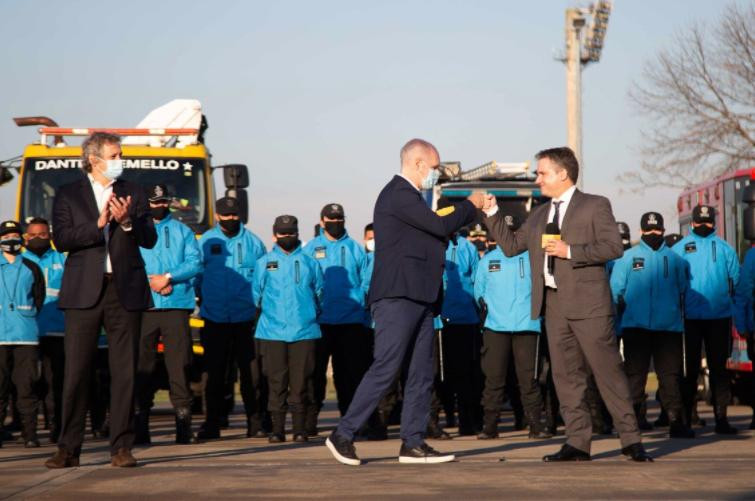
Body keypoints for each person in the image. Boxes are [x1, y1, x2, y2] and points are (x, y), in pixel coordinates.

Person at [484, 146, 651, 462]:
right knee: (566, 377)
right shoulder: (539, 215)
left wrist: (570, 250)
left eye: (542, 172)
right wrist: (492, 213)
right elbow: (509, 247)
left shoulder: (594, 206)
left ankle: (631, 439)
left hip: (589, 305)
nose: (538, 178)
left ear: (563, 173)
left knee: (608, 373)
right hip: (553, 306)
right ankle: (577, 442)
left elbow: (613, 247)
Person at [325, 138, 484, 466]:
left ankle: (412, 442)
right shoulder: (398, 194)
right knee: (386, 366)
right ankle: (343, 434)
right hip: (398, 296)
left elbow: (433, 231)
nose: (437, 174)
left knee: (421, 372)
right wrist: (470, 204)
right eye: (436, 167)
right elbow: (440, 225)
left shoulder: (414, 199)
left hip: (420, 297)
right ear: (418, 163)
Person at [46, 132, 157, 468]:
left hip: (124, 289)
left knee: (124, 371)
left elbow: (149, 239)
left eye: (120, 154)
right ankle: (68, 448)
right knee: (76, 372)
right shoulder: (68, 194)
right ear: (93, 159)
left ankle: (121, 447)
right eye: (114, 154)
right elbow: (62, 240)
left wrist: (126, 224)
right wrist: (97, 226)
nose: (120, 160)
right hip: (83, 292)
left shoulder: (133, 192)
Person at [610, 212, 694, 438]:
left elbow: (684, 289)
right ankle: (630, 423)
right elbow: (615, 291)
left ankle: (676, 421)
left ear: (663, 230)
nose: (653, 234)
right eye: (649, 230)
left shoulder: (677, 261)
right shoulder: (626, 259)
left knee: (670, 377)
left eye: (657, 230)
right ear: (641, 231)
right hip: (636, 328)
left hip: (668, 329)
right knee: (635, 378)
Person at [135, 184, 202, 444]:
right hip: (145, 306)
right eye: (153, 202)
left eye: (162, 201)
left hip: (175, 306)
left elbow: (195, 263)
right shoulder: (136, 231)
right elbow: (127, 262)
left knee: (180, 366)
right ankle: (140, 427)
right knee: (143, 367)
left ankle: (184, 427)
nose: (158, 206)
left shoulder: (183, 231)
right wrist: (151, 281)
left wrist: (169, 277)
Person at [475, 214, 551, 440]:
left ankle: (535, 425)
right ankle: (490, 426)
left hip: (527, 327)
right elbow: (478, 293)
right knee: (494, 380)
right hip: (496, 328)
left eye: (512, 232)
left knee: (529, 380)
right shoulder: (488, 260)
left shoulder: (533, 258)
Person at [196, 196, 267, 439]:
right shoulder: (205, 242)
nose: (230, 219)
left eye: (234, 215)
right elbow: (197, 276)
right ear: (217, 216)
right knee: (214, 375)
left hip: (246, 319)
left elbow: (263, 280)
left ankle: (255, 422)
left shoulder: (254, 244)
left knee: (252, 376)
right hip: (214, 318)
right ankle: (212, 424)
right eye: (225, 215)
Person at [253, 215, 324, 443]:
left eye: (291, 233)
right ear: (275, 235)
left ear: (297, 233)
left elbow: (320, 292)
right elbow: (255, 294)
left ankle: (300, 429)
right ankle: (277, 430)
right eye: (282, 233)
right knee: (276, 382)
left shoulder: (310, 262)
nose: (287, 237)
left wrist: (309, 314)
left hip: (304, 331)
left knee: (302, 382)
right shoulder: (264, 262)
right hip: (272, 333)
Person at [672, 205, 740, 434]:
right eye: (700, 221)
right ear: (692, 223)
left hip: (719, 317)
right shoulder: (679, 249)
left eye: (707, 222)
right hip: (689, 318)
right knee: (689, 370)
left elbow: (736, 282)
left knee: (719, 370)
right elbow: (672, 283)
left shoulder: (725, 249)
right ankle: (688, 418)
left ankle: (721, 419)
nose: (703, 225)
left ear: (714, 223)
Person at [304, 203, 370, 434]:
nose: (336, 222)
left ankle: (349, 422)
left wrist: (360, 302)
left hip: (351, 322)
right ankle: (310, 421)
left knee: (349, 376)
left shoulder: (355, 248)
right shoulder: (310, 249)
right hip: (320, 323)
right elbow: (305, 283)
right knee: (315, 374)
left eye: (340, 218)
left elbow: (367, 279)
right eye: (331, 218)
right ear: (322, 221)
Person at [435, 197, 482, 436]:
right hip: (436, 322)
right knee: (437, 376)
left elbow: (476, 281)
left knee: (465, 374)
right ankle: (435, 423)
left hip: (464, 320)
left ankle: (466, 422)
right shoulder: (430, 243)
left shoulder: (467, 247)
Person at [0, 221, 45, 448]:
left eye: (16, 235)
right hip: (0, 337)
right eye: (6, 236)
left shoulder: (31, 267)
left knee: (26, 387)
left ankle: (30, 435)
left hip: (25, 335)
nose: (11, 240)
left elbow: (39, 296)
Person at [22, 217, 66, 444]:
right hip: (26, 332)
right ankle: (27, 431)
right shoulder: (17, 261)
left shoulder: (62, 259)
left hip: (57, 330)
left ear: (50, 236)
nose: (38, 238)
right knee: (27, 383)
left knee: (54, 383)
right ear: (26, 237)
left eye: (43, 235)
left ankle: (55, 428)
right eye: (33, 235)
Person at [733, 239, 755, 430]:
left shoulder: (751, 257)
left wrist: (742, 326)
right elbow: (744, 294)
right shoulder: (752, 257)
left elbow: (743, 294)